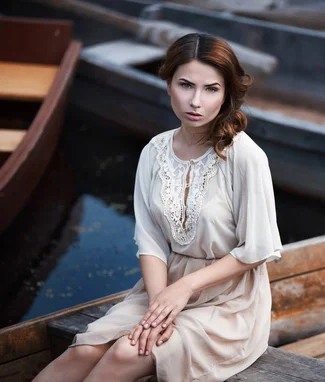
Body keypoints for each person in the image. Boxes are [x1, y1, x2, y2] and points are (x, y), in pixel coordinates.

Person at [33, 33, 282, 382]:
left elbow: (257, 248)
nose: (195, 101)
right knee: (86, 349)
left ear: (226, 94)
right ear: (168, 84)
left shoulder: (245, 156)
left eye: (211, 89)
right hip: (161, 288)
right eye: (185, 85)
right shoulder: (155, 151)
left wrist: (184, 289)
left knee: (126, 351)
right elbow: (150, 240)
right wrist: (159, 304)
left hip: (229, 303)